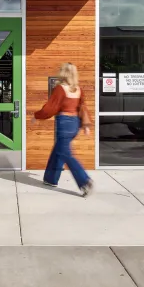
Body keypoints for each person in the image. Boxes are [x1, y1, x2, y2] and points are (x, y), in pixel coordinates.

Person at [34, 63, 94, 196]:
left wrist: (36, 116)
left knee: (66, 154)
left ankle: (84, 181)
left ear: (63, 73)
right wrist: (86, 126)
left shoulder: (60, 89)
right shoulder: (78, 89)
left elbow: (50, 108)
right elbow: (83, 108)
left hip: (64, 124)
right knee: (58, 151)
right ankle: (50, 179)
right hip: (74, 125)